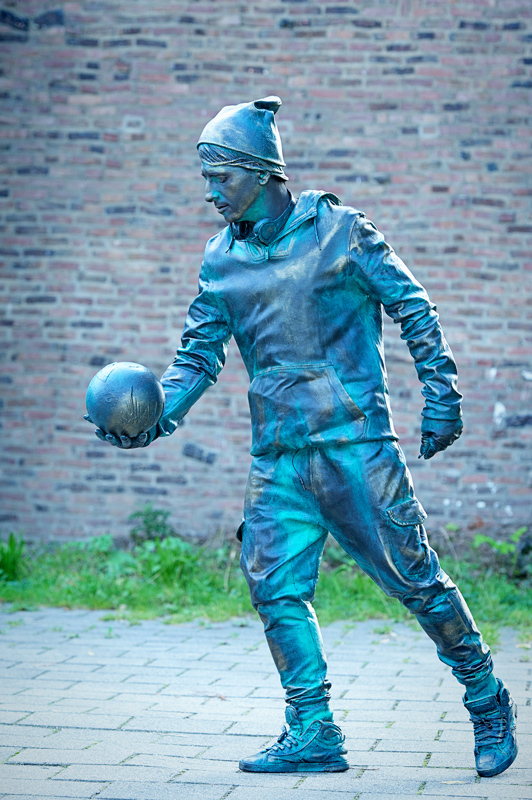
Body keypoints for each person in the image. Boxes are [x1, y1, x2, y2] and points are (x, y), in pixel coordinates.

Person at [85, 96, 518, 777]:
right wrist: (156, 417)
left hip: (356, 448)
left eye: (221, 176)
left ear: (262, 171)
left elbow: (413, 307)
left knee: (416, 581)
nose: (210, 191)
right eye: (207, 177)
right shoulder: (221, 258)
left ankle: (486, 697)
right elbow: (198, 356)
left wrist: (443, 395)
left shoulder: (340, 232)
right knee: (276, 590)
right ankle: (313, 729)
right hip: (278, 459)